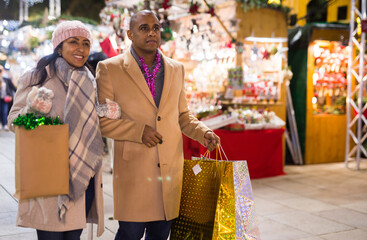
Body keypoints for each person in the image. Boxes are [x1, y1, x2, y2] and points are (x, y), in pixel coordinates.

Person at [96, 10, 220, 240]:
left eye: (155, 28)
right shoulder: (109, 69)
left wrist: (203, 132)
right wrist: (138, 131)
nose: (151, 33)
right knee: (129, 234)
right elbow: (103, 122)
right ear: (129, 34)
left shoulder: (176, 69)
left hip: (169, 172)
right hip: (134, 171)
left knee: (161, 235)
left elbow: (182, 115)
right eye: (144, 28)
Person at [8, 20, 105, 240]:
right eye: (73, 42)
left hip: (82, 176)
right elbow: (14, 121)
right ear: (59, 47)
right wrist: (34, 111)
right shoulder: (37, 77)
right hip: (49, 175)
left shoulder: (90, 80)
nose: (80, 48)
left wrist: (107, 111)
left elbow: (91, 122)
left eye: (85, 43)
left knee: (73, 237)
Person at [0, 65, 17, 130]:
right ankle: (1, 123)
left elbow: (13, 88)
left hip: (5, 99)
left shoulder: (6, 79)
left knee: (4, 111)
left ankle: (5, 124)